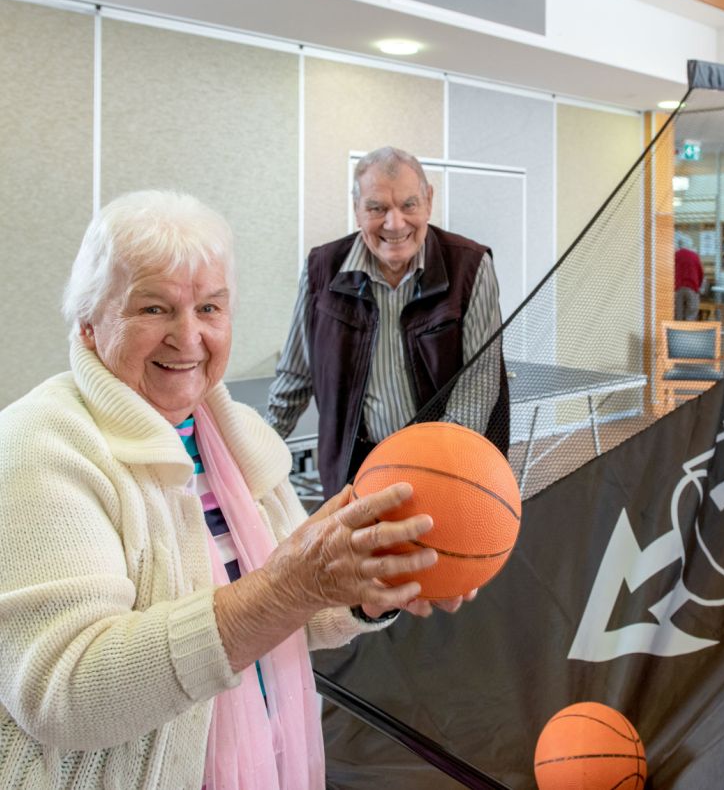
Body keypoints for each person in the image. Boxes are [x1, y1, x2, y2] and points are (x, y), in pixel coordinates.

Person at [0, 190, 462, 789]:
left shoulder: (238, 435)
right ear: (89, 322)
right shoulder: (37, 445)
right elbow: (65, 692)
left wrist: (364, 589)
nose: (188, 337)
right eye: (154, 309)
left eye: (210, 309)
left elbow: (293, 614)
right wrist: (286, 587)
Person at [266, 146, 509, 498]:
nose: (394, 224)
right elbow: (295, 376)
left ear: (428, 201)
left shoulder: (470, 267)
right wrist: (247, 460)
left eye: (408, 205)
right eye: (377, 208)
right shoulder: (321, 269)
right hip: (354, 468)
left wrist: (434, 472)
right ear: (356, 210)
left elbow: (476, 391)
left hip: (441, 466)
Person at [674, 239, 704, 321]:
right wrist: (699, 287)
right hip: (692, 287)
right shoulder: (694, 256)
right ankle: (688, 331)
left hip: (677, 287)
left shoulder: (675, 255)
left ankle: (677, 332)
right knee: (691, 313)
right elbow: (700, 273)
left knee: (678, 314)